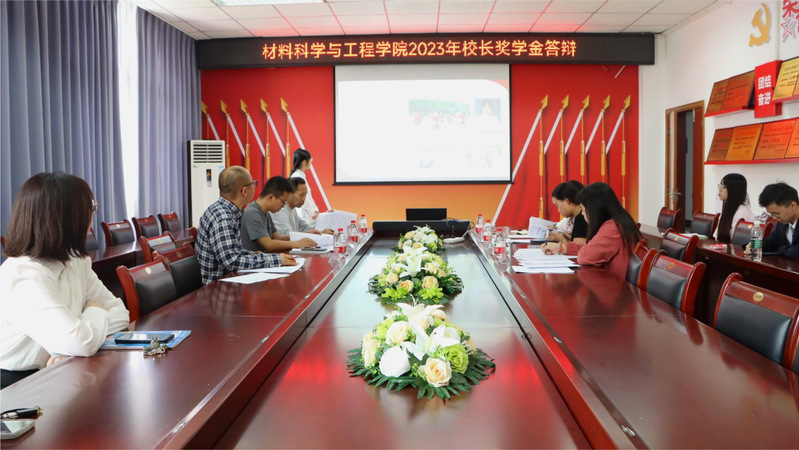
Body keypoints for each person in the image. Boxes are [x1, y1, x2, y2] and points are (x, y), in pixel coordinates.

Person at [0, 173, 130, 389]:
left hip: (61, 369)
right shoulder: (24, 274)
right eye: (90, 209)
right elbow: (82, 342)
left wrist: (71, 348)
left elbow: (120, 313)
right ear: (66, 218)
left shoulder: (75, 260)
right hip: (16, 386)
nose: (92, 218)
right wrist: (94, 310)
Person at [196, 166, 296, 285]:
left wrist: (254, 255)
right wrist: (276, 259)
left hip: (230, 281)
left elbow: (234, 251)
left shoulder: (225, 211)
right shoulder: (223, 217)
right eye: (253, 184)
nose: (255, 187)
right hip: (220, 288)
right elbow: (231, 262)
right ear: (244, 191)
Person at [542, 182, 643, 280]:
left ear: (594, 210)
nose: (582, 214)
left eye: (583, 209)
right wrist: (561, 247)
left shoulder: (613, 228)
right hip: (614, 281)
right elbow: (590, 247)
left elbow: (586, 256)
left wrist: (562, 246)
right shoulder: (617, 222)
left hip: (618, 286)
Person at [241, 176, 318, 252]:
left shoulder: (265, 213)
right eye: (283, 201)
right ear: (271, 197)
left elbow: (279, 238)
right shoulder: (253, 213)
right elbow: (268, 245)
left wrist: (306, 234)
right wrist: (297, 243)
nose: (283, 206)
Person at [758, 182, 799, 259]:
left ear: (793, 206)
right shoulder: (782, 223)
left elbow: (796, 252)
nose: (774, 218)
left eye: (776, 213)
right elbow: (771, 243)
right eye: (771, 214)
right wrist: (756, 245)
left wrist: (781, 249)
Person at [715, 173, 755, 242]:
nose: (720, 190)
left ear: (734, 190)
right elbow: (717, 238)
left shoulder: (742, 212)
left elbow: (738, 242)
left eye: (723, 187)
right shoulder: (727, 209)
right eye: (720, 186)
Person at [290, 148, 320, 224]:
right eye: (310, 160)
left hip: (306, 213)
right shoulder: (297, 177)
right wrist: (312, 212)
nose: (311, 163)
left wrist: (315, 210)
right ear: (304, 162)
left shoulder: (301, 176)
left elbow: (308, 196)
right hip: (303, 214)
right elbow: (304, 199)